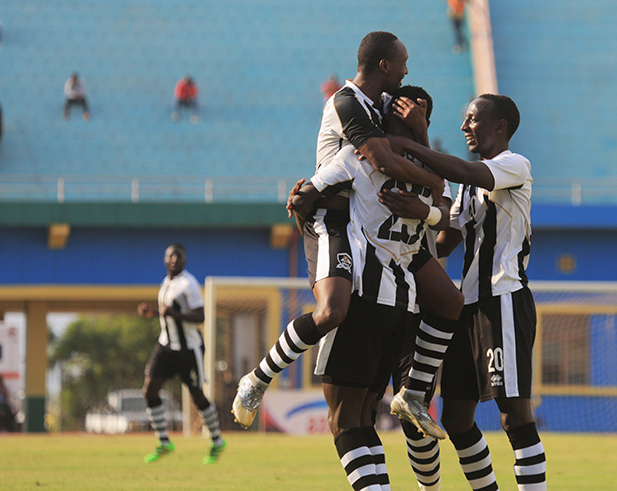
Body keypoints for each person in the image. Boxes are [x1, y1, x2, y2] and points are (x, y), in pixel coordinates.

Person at [232, 32, 459, 444]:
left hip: (379, 230)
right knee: (334, 310)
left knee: (447, 300)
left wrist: (422, 135)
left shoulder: (385, 104)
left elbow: (433, 193)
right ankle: (258, 377)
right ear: (384, 65)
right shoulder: (347, 101)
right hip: (333, 220)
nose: (408, 70)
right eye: (403, 61)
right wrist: (435, 178)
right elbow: (382, 158)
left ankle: (414, 394)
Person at [287, 85, 448, 490]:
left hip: (364, 295)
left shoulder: (359, 155)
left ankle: (257, 378)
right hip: (408, 307)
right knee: (385, 418)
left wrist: (303, 211)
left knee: (346, 417)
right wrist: (430, 209)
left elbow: (305, 197)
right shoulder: (427, 169)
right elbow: (445, 206)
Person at [383, 94, 547, 489]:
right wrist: (401, 239)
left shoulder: (514, 166)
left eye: (472, 119)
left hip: (503, 300)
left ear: (499, 126)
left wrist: (408, 143)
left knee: (514, 414)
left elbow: (462, 170)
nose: (464, 127)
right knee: (457, 419)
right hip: (468, 307)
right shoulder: (469, 189)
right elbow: (446, 237)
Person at [137, 243, 225, 464]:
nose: (174, 259)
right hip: (166, 346)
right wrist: (152, 313)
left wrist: (174, 313)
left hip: (189, 350)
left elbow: (200, 316)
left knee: (197, 395)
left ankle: (216, 441)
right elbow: (166, 314)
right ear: (165, 259)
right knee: (149, 390)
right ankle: (164, 442)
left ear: (185, 260)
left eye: (179, 256)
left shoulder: (189, 284)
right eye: (170, 256)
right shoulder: (166, 283)